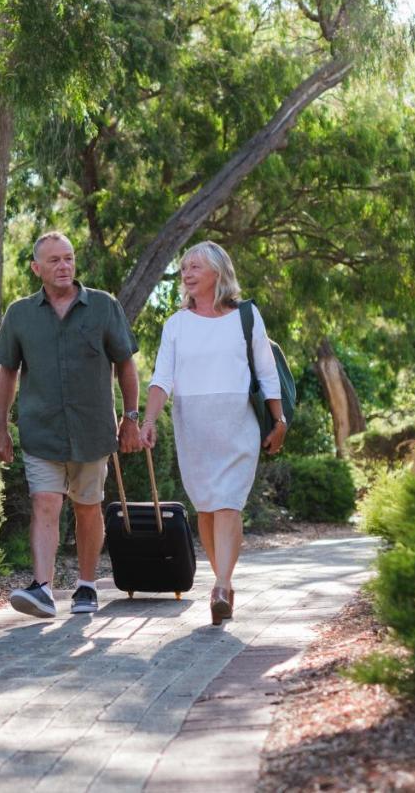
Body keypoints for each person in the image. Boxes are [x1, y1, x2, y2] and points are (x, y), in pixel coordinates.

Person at [0, 231, 142, 618]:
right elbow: (6, 373)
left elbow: (126, 363)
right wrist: (0, 427)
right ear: (36, 268)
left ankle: (87, 585)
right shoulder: (20, 314)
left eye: (69, 258)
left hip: (93, 431)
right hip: (40, 430)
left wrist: (131, 417)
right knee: (44, 502)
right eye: (54, 260)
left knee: (87, 507)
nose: (64, 266)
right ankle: (42, 588)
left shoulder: (104, 307)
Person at [139, 241, 286, 625]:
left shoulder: (246, 317)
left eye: (195, 267)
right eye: (184, 267)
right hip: (194, 425)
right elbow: (161, 379)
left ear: (218, 273)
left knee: (227, 503)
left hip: (238, 421)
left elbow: (267, 373)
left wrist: (279, 420)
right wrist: (150, 421)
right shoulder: (176, 324)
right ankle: (222, 582)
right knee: (206, 507)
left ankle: (222, 584)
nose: (186, 273)